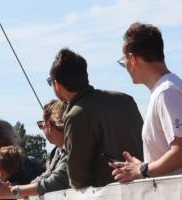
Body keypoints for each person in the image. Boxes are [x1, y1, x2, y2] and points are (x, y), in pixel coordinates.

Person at [111, 22, 182, 182]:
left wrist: (142, 170)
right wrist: (144, 166)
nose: (126, 68)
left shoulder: (166, 92)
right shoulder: (170, 88)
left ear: (132, 58)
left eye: (124, 62)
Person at [48, 48, 144, 188]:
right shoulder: (125, 100)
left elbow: (78, 178)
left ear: (57, 84)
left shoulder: (76, 115)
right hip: (146, 191)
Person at [0, 100, 70, 200]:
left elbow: (55, 182)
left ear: (49, 126)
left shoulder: (71, 151)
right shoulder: (59, 151)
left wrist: (12, 191)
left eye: (41, 125)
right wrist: (14, 189)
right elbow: (45, 177)